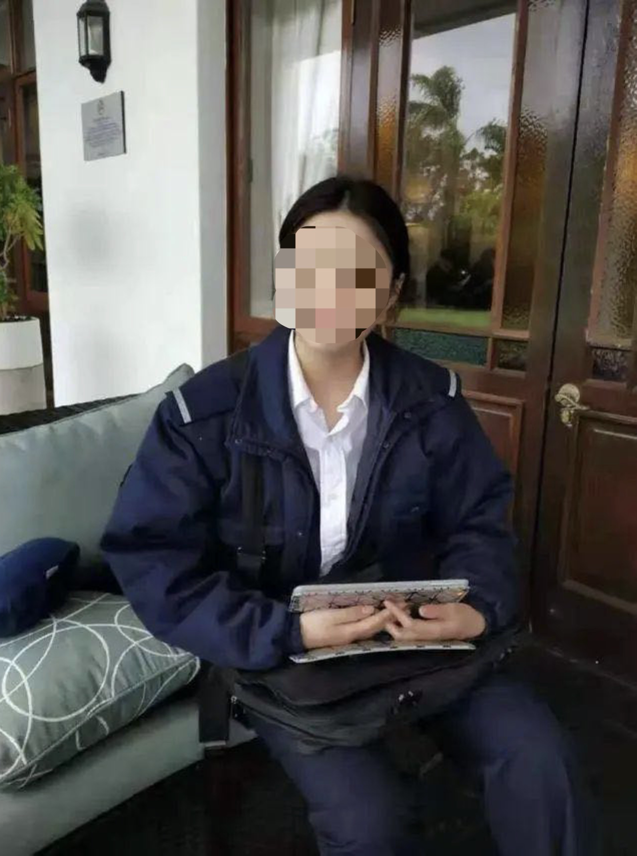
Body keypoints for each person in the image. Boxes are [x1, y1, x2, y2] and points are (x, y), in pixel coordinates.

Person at [101, 176, 597, 856]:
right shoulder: (203, 415)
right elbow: (154, 560)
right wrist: (288, 629)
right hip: (285, 657)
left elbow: (479, 520)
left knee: (541, 760)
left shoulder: (432, 400)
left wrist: (478, 607)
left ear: (391, 293)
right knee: (372, 824)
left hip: (416, 639)